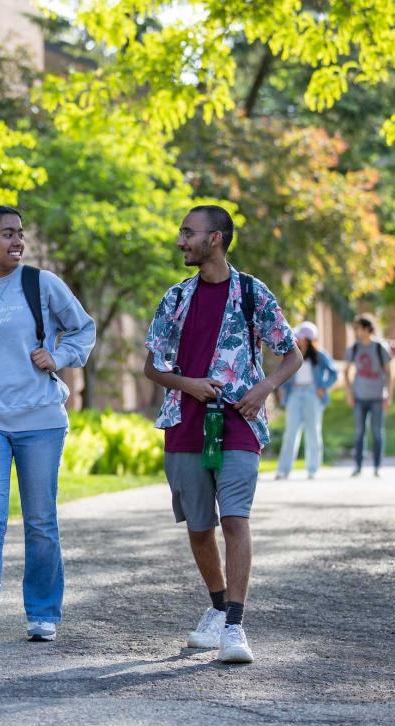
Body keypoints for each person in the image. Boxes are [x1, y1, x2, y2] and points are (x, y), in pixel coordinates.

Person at [143, 205, 301, 664]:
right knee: (198, 528)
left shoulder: (252, 293)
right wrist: (186, 383)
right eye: (181, 232)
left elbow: (290, 354)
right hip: (184, 423)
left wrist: (265, 387)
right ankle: (216, 608)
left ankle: (235, 624)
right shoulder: (175, 298)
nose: (180, 241)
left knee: (235, 519)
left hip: (239, 422)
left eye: (189, 233)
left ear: (215, 239)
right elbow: (151, 366)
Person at [0, 205, 96, 652]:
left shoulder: (41, 284)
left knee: (41, 520)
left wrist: (59, 357)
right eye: (7, 234)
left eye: (20, 233)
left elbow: (83, 329)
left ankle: (43, 614)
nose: (17, 241)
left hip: (41, 418)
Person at [274, 322, 339, 480]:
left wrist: (323, 387)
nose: (297, 339)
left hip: (312, 394)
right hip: (295, 394)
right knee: (290, 433)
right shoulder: (292, 354)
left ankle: (312, 469)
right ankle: (283, 470)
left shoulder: (319, 354)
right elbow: (285, 375)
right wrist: (283, 390)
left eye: (300, 337)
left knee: (313, 432)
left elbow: (333, 373)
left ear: (308, 339)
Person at [344, 313, 394, 477]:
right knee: (359, 433)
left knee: (377, 433)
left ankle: (377, 467)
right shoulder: (355, 348)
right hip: (359, 397)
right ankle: (358, 467)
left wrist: (389, 395)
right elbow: (346, 371)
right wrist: (349, 393)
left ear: (367, 328)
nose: (356, 331)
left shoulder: (380, 347)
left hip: (378, 397)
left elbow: (389, 373)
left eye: (358, 328)